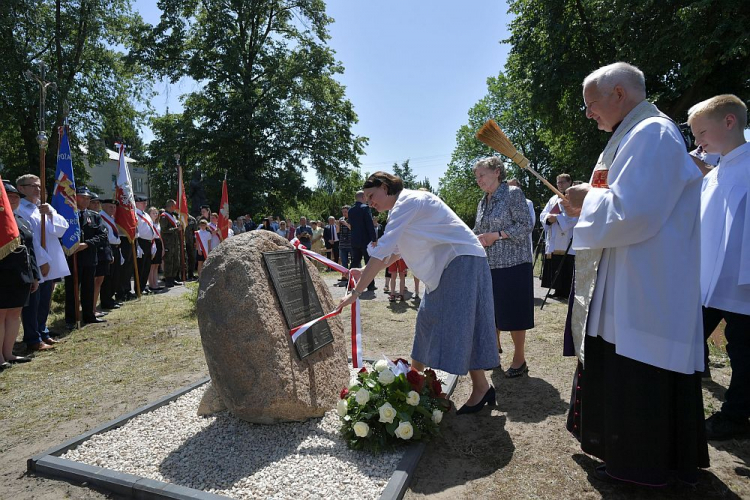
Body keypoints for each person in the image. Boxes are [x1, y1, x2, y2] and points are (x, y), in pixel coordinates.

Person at [562, 62, 708, 485]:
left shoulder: (653, 135)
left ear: (619, 94)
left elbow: (636, 212)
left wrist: (587, 197)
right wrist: (588, 200)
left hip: (646, 285)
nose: (589, 114)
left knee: (641, 375)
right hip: (626, 278)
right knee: (622, 368)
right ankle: (626, 455)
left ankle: (645, 464)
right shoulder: (630, 136)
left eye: (591, 104)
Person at [337, 172, 498, 413]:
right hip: (457, 263)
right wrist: (363, 270)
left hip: (460, 262)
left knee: (445, 322)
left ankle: (421, 386)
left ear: (385, 186)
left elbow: (383, 251)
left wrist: (356, 293)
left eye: (371, 195)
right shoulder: (402, 208)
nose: (369, 202)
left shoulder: (407, 201)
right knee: (436, 322)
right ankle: (424, 383)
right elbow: (394, 252)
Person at [688, 94, 750, 440]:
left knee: (742, 345)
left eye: (701, 133)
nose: (697, 142)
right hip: (706, 277)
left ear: (729, 122)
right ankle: (683, 404)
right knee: (690, 335)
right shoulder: (714, 173)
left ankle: (736, 414)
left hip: (742, 279)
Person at [473, 157, 535, 377]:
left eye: (482, 175)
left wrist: (496, 236)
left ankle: (519, 360)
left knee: (515, 313)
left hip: (514, 265)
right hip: (489, 266)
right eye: (476, 176)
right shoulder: (483, 201)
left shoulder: (512, 194)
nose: (478, 180)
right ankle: (493, 355)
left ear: (497, 172)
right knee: (492, 313)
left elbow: (526, 225)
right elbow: (478, 229)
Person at [15, 174, 70, 349]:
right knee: (33, 301)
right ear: (21, 188)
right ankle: (33, 338)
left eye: (39, 186)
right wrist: (41, 261)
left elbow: (62, 228)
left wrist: (51, 214)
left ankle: (42, 331)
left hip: (50, 259)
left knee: (45, 300)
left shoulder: (44, 206)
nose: (38, 189)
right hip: (37, 261)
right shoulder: (19, 209)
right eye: (33, 186)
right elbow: (31, 240)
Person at [2, 181, 40, 366]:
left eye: (17, 196)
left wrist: (35, 275)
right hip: (3, 274)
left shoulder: (21, 221)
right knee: (0, 315)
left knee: (15, 314)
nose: (15, 199)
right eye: (10, 196)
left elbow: (30, 250)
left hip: (22, 275)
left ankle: (8, 353)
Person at [65, 186, 108, 326]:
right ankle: (71, 319)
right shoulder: (67, 215)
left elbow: (102, 235)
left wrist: (87, 244)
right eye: (82, 197)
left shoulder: (94, 216)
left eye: (88, 198)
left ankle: (89, 315)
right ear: (75, 197)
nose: (85, 200)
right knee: (72, 289)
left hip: (89, 257)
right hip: (72, 258)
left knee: (88, 288)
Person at [539, 174, 577, 299]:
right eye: (558, 182)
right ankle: (556, 290)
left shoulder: (575, 198)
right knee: (555, 264)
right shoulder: (553, 199)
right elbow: (544, 213)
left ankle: (566, 292)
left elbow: (575, 217)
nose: (559, 185)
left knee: (566, 265)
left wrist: (558, 218)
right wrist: (548, 219)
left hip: (568, 238)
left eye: (562, 182)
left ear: (569, 182)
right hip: (555, 235)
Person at [89, 195, 113, 317]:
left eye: (97, 203)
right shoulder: (87, 217)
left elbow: (105, 237)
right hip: (94, 253)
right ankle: (91, 309)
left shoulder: (98, 217)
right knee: (93, 282)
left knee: (99, 281)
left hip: (104, 253)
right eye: (93, 202)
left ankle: (94, 308)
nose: (96, 205)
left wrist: (110, 253)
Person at [348, 191, 377, 291]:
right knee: (369, 263)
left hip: (354, 239)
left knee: (355, 261)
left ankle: (350, 282)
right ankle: (370, 285)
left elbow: (352, 225)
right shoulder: (365, 208)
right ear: (363, 197)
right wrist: (374, 238)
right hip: (365, 240)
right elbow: (369, 224)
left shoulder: (350, 210)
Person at [99, 198, 122, 310]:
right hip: (108, 248)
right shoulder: (101, 217)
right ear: (103, 206)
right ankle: (106, 301)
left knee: (115, 275)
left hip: (115, 248)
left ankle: (110, 299)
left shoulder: (111, 218)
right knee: (108, 277)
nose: (113, 209)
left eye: (114, 207)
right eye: (110, 207)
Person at [160, 199, 184, 287]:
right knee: (169, 261)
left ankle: (173, 278)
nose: (176, 208)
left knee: (175, 260)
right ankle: (168, 280)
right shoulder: (164, 216)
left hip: (174, 242)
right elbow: (164, 230)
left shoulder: (173, 216)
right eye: (175, 206)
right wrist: (176, 229)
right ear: (171, 206)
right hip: (168, 243)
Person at [135, 196, 155, 295]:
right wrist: (137, 245)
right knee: (140, 267)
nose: (145, 204)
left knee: (146, 267)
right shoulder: (134, 214)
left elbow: (151, 228)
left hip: (148, 242)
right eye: (142, 202)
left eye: (145, 202)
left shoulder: (146, 214)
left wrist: (153, 243)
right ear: (136, 203)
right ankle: (138, 288)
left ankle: (143, 286)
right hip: (141, 242)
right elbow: (135, 230)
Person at [147, 207, 163, 291]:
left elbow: (160, 236)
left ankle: (156, 283)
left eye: (156, 213)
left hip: (158, 243)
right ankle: (151, 284)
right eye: (153, 213)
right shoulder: (148, 223)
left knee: (156, 265)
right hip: (152, 243)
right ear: (149, 214)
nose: (155, 214)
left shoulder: (158, 223)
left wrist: (163, 247)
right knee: (152, 266)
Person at [338, 206, 352, 281]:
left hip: (351, 243)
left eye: (345, 212)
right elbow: (338, 231)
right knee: (344, 261)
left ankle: (352, 276)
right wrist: (338, 224)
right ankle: (344, 276)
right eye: (343, 212)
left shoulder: (353, 219)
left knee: (354, 260)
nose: (344, 213)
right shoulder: (341, 219)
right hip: (342, 243)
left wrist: (346, 223)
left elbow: (353, 228)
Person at [184, 213, 197, 281]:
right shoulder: (178, 217)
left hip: (191, 242)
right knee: (183, 259)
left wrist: (195, 242)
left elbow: (195, 231)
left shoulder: (192, 219)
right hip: (181, 242)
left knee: (192, 258)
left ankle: (190, 274)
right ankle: (183, 275)